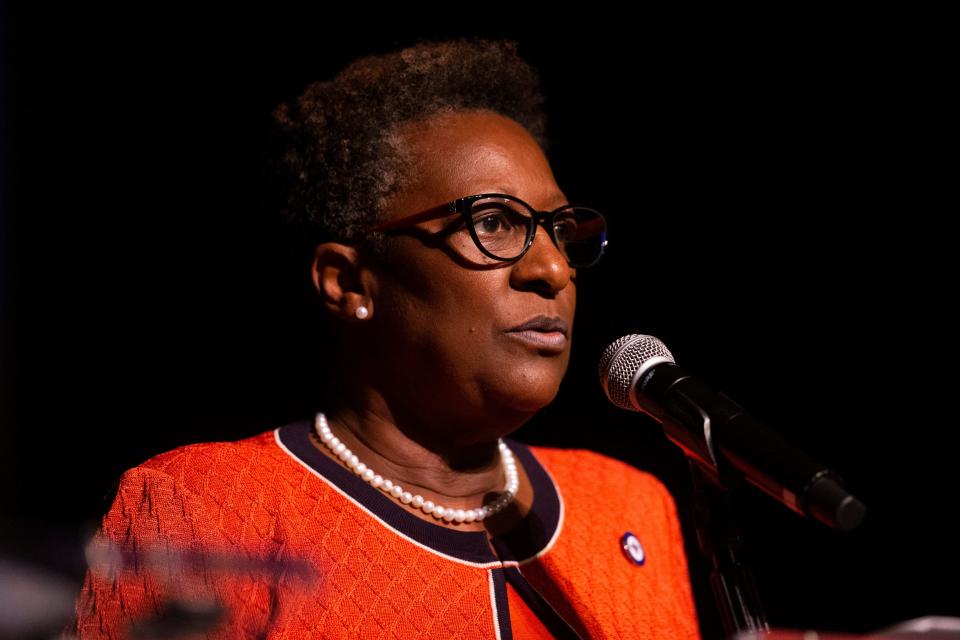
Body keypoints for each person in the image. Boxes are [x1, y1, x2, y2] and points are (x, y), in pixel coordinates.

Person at [70, 38, 701, 639]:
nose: (553, 269)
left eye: (559, 231)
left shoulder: (629, 505)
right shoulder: (204, 510)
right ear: (349, 283)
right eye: (493, 222)